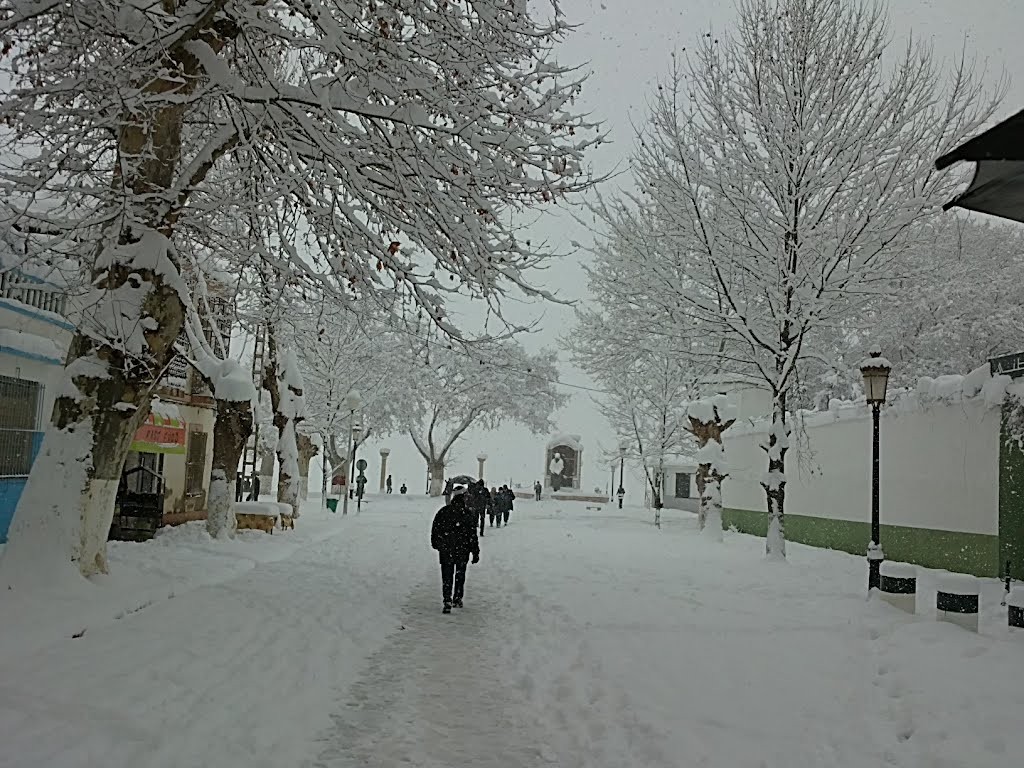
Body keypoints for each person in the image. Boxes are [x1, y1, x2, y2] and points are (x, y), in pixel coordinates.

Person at [430, 486, 480, 613]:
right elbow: (472, 535)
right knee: (460, 575)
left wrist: (437, 544)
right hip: (462, 550)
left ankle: (447, 599)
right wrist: (475, 552)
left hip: (446, 550)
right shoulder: (467, 514)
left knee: (447, 575)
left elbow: (436, 530)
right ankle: (457, 598)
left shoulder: (443, 512)